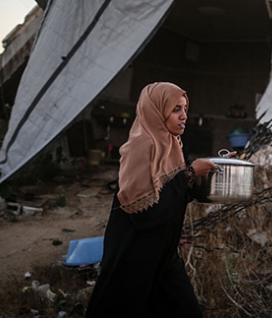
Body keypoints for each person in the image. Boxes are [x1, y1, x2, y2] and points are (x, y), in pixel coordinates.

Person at [85, 82, 218, 317]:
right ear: (157, 110)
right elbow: (147, 214)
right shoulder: (142, 147)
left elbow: (174, 196)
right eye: (176, 109)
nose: (184, 116)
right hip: (134, 257)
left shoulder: (170, 145)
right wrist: (190, 174)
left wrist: (206, 176)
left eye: (185, 109)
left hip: (162, 256)